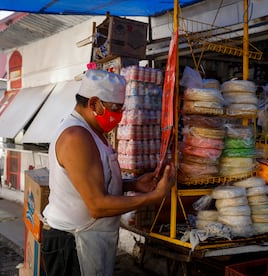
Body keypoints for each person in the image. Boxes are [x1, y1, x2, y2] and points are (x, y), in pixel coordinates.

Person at [41, 69, 175, 276]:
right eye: (115, 109)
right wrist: (154, 196)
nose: (119, 116)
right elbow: (98, 205)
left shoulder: (94, 133)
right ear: (94, 104)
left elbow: (96, 181)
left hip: (90, 238)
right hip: (73, 242)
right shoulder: (76, 137)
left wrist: (133, 184)